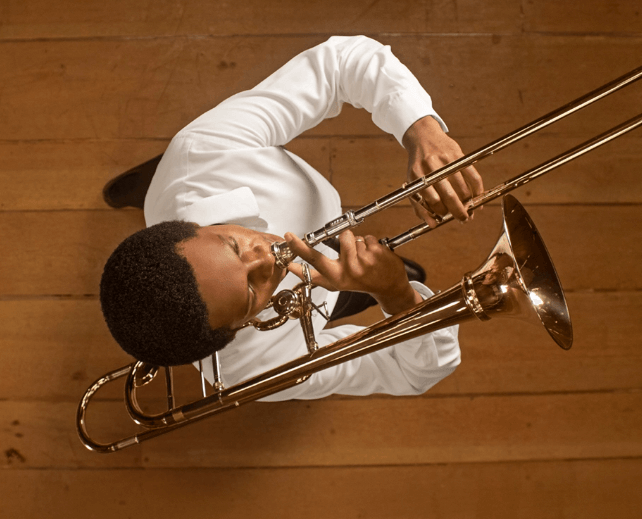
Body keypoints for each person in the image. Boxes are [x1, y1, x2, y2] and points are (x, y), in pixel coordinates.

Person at [100, 36, 483, 400]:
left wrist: (421, 130)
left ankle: (150, 185)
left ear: (183, 227)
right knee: (380, 285)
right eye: (252, 291)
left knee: (175, 168)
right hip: (328, 298)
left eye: (234, 245)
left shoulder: (206, 151)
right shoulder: (247, 369)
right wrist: (395, 294)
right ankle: (370, 284)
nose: (268, 257)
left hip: (191, 171)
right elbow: (412, 372)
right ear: (234, 333)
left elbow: (341, 63)